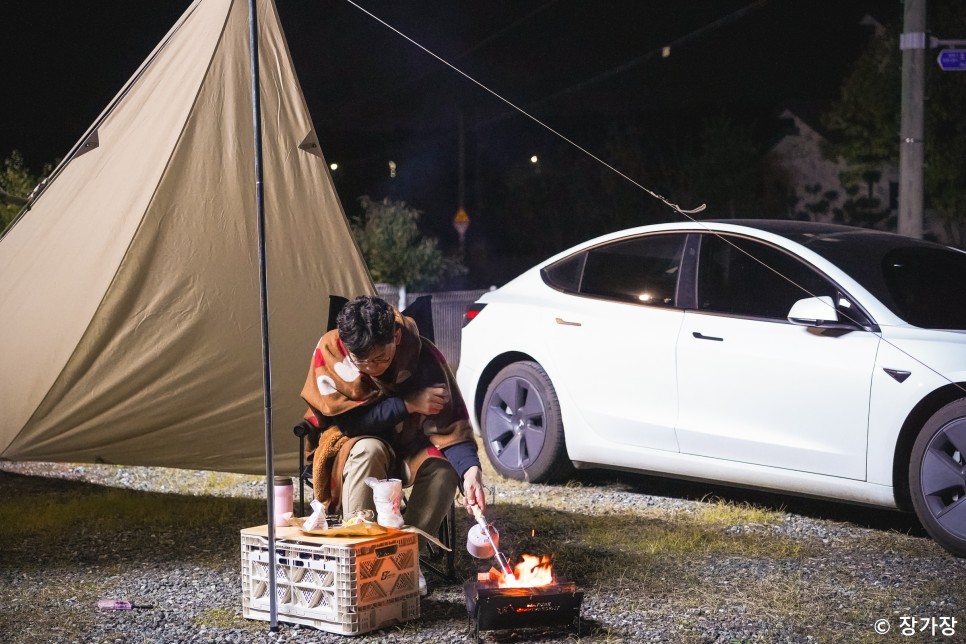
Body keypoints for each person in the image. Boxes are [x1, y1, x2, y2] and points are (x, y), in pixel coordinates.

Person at [299, 295, 486, 594]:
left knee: (443, 469)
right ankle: (359, 559)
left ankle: (406, 560)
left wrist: (471, 470)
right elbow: (347, 424)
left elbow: (449, 424)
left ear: (396, 337)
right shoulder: (332, 350)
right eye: (361, 361)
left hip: (410, 442)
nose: (372, 369)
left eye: (380, 359)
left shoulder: (421, 354)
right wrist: (407, 404)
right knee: (368, 450)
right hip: (356, 439)